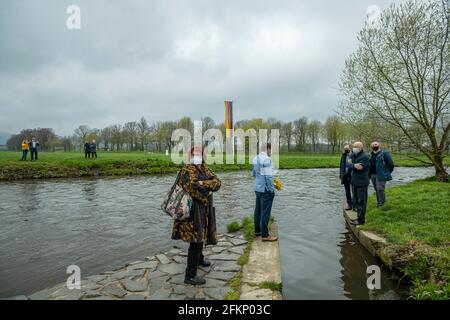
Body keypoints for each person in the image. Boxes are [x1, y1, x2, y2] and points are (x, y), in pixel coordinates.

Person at [171, 146, 221, 285]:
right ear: (190, 155)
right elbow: (193, 189)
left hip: (203, 210)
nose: (196, 156)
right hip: (191, 212)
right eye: (194, 154)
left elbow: (217, 182)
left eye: (199, 153)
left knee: (201, 236)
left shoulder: (204, 168)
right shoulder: (187, 169)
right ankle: (190, 275)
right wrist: (207, 190)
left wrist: (203, 183)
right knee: (196, 240)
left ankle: (199, 260)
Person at [252, 142, 277, 242]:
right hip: (265, 189)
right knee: (265, 212)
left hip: (257, 188)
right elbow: (269, 176)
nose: (271, 152)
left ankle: (257, 231)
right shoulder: (267, 159)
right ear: (268, 149)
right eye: (271, 150)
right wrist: (271, 188)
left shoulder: (256, 158)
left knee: (257, 210)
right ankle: (265, 235)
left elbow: (254, 173)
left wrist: (260, 179)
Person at [346, 141, 370, 226]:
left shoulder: (365, 156)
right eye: (353, 146)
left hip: (362, 183)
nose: (354, 148)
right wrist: (353, 165)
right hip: (355, 182)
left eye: (356, 146)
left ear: (360, 148)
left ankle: (361, 220)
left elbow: (359, 168)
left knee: (362, 202)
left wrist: (351, 164)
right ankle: (358, 217)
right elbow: (347, 163)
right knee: (356, 201)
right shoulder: (354, 155)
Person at [369, 141, 395, 207]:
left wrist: (387, 172)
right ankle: (378, 203)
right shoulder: (370, 154)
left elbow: (391, 164)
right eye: (373, 145)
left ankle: (383, 203)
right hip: (372, 175)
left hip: (381, 175)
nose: (374, 145)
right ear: (371, 147)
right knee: (376, 189)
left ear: (379, 145)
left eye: (376, 144)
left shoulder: (384, 153)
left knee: (380, 188)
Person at [339, 144, 353, 210]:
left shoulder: (353, 155)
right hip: (345, 176)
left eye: (347, 148)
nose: (346, 150)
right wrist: (341, 175)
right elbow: (341, 166)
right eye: (345, 148)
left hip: (352, 175)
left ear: (350, 148)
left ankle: (355, 205)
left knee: (354, 191)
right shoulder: (343, 156)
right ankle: (349, 205)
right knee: (347, 191)